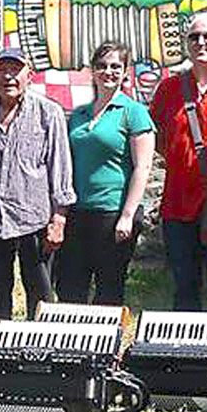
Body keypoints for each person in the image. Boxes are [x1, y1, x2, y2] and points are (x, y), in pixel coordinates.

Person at [0, 47, 74, 319]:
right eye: (2, 70)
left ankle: (39, 349)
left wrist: (59, 218)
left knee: (40, 289)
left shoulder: (49, 113)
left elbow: (60, 166)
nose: (8, 77)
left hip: (34, 218)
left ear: (28, 75)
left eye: (15, 70)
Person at [149, 13, 207, 310]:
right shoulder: (169, 89)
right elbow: (160, 140)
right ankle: (185, 355)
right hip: (177, 204)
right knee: (184, 286)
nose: (201, 42)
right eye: (194, 37)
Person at [58, 41, 155, 306]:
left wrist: (127, 215)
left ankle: (104, 345)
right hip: (78, 212)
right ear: (93, 71)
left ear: (126, 72)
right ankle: (73, 344)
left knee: (108, 290)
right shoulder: (79, 115)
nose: (108, 72)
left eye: (115, 66)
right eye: (102, 66)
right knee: (69, 287)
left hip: (112, 213)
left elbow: (143, 167)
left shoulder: (134, 112)